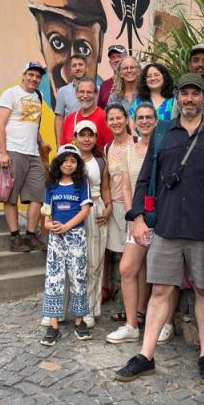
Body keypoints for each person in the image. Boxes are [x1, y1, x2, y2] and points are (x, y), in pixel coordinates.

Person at [115, 74, 204, 384]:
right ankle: (146, 355)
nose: (190, 99)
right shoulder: (162, 133)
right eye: (185, 94)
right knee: (160, 291)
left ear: (203, 99)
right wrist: (138, 218)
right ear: (178, 98)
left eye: (196, 94)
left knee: (203, 290)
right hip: (167, 227)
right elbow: (145, 179)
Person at [107, 102, 172, 346]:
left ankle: (166, 323)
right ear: (134, 122)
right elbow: (126, 187)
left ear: (156, 120)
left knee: (166, 273)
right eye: (140, 118)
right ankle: (132, 325)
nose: (144, 121)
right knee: (127, 268)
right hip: (139, 219)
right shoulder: (129, 151)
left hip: (163, 218)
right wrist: (134, 217)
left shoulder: (166, 147)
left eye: (149, 117)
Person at [27, 0, 108, 110]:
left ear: (100, 45)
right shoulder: (29, 95)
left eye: (84, 49)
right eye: (57, 43)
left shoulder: (105, 96)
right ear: (39, 36)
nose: (67, 74)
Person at [40, 144, 93, 346]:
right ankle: (53, 325)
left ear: (78, 164)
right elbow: (47, 213)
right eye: (65, 160)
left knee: (78, 276)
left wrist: (67, 226)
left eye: (73, 161)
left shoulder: (82, 184)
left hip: (76, 236)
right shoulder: (51, 185)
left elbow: (85, 210)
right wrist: (49, 225)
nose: (69, 164)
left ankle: (79, 321)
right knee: (54, 278)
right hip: (56, 238)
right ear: (58, 163)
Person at [0, 62, 47, 253]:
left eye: (38, 76)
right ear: (24, 75)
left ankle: (30, 236)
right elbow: (0, 124)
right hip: (12, 150)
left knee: (38, 193)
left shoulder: (38, 96)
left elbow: (33, 124)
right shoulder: (10, 94)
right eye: (31, 74)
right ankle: (15, 237)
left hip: (32, 152)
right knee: (10, 196)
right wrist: (3, 153)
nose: (34, 79)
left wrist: (41, 142)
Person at [74, 121, 112, 327]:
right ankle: (68, 309)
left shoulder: (100, 161)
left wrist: (108, 206)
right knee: (73, 262)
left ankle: (90, 308)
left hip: (96, 209)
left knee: (94, 262)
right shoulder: (69, 158)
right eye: (82, 135)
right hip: (73, 210)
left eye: (90, 135)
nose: (86, 139)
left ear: (96, 138)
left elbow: (105, 187)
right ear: (75, 137)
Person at [103, 103, 133, 314]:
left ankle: (136, 309)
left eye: (119, 118)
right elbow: (106, 183)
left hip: (134, 209)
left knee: (134, 261)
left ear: (126, 119)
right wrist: (108, 204)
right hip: (116, 208)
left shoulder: (137, 143)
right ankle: (126, 306)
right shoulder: (108, 148)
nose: (115, 122)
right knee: (122, 259)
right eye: (111, 119)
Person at [59, 78, 113, 148]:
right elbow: (63, 148)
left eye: (89, 92)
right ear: (76, 93)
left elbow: (110, 148)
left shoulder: (104, 118)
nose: (85, 96)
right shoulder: (69, 119)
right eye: (81, 92)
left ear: (96, 94)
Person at [54, 55, 87, 145]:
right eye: (74, 65)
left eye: (80, 64)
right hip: (70, 141)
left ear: (86, 67)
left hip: (91, 140)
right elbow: (59, 118)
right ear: (70, 69)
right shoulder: (63, 91)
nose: (78, 68)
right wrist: (58, 144)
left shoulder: (96, 90)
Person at [98, 44, 128, 109]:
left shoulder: (132, 82)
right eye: (113, 57)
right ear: (110, 62)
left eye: (119, 56)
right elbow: (100, 110)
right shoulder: (104, 85)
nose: (116, 60)